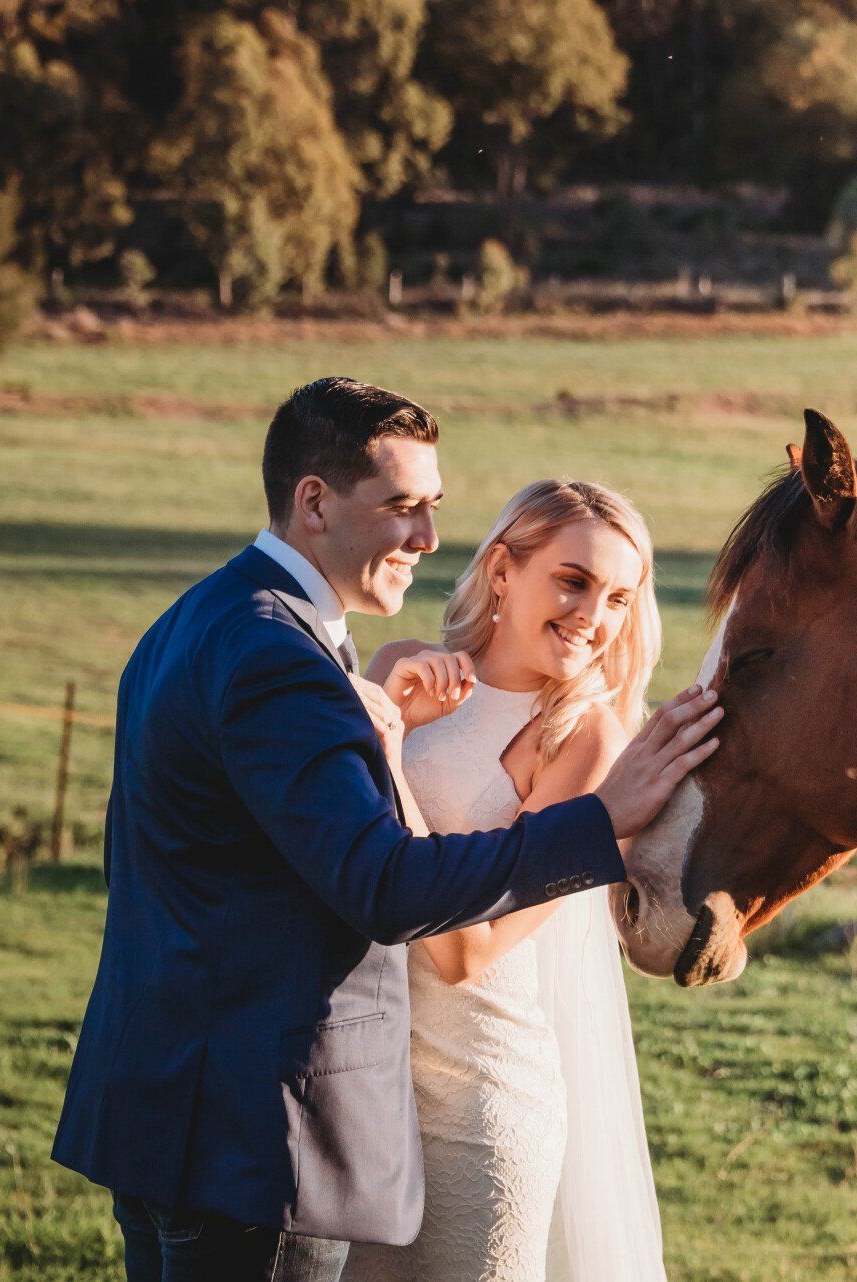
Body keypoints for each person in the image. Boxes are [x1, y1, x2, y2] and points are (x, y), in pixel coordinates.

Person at [50, 378, 721, 1282]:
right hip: (278, 1126)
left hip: (377, 1109)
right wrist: (593, 822)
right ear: (315, 501)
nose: (427, 537)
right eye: (403, 506)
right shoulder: (297, 657)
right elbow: (383, 884)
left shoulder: (197, 621)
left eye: (618, 598)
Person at [343, 479, 669, 1282]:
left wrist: (391, 759)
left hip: (477, 1111)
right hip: (355, 1099)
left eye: (620, 598)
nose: (595, 617)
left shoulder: (580, 740)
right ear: (501, 572)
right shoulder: (397, 668)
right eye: (573, 580)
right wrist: (391, 721)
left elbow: (467, 953)